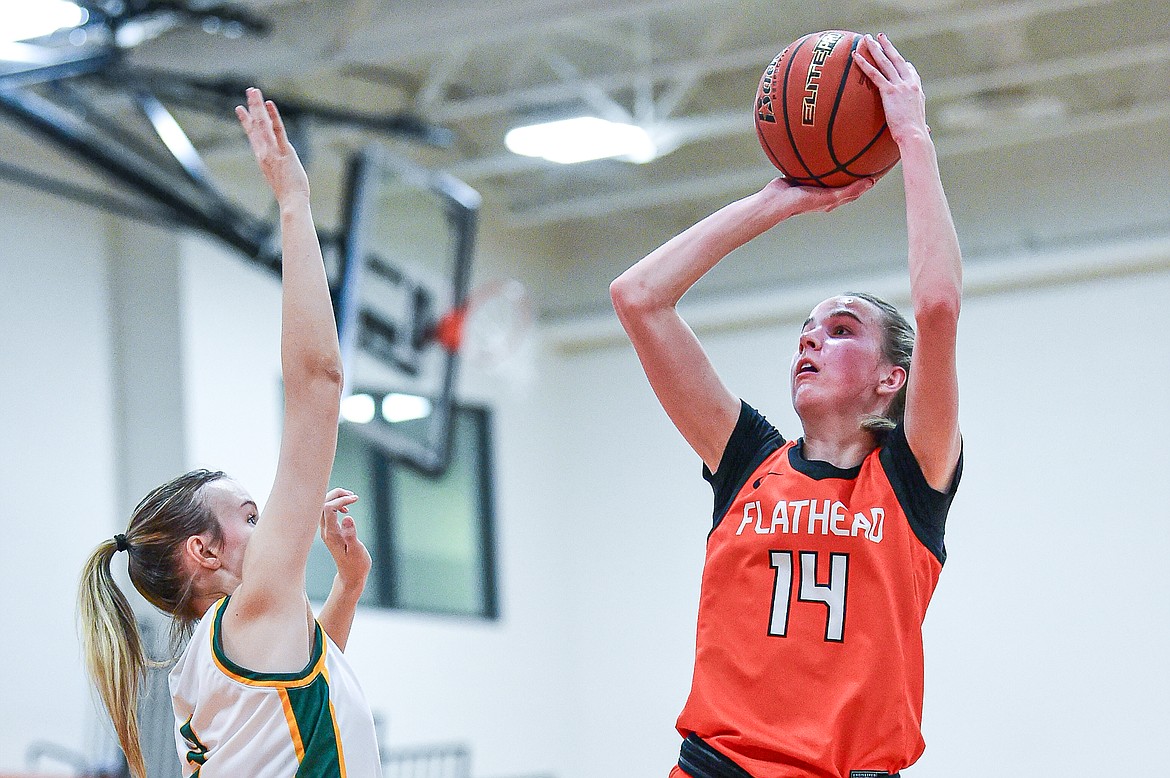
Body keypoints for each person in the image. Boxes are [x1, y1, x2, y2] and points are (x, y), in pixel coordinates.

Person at [610, 33, 963, 778]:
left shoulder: (911, 479)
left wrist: (914, 137)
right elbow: (639, 298)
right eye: (805, 331)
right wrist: (774, 202)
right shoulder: (747, 460)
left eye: (840, 331)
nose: (811, 342)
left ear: (890, 379)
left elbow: (935, 306)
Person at [77, 88, 382, 778]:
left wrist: (348, 588)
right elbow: (317, 388)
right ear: (203, 552)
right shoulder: (249, 614)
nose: (271, 518)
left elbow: (307, 694)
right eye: (249, 515)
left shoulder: (215, 656)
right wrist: (295, 207)